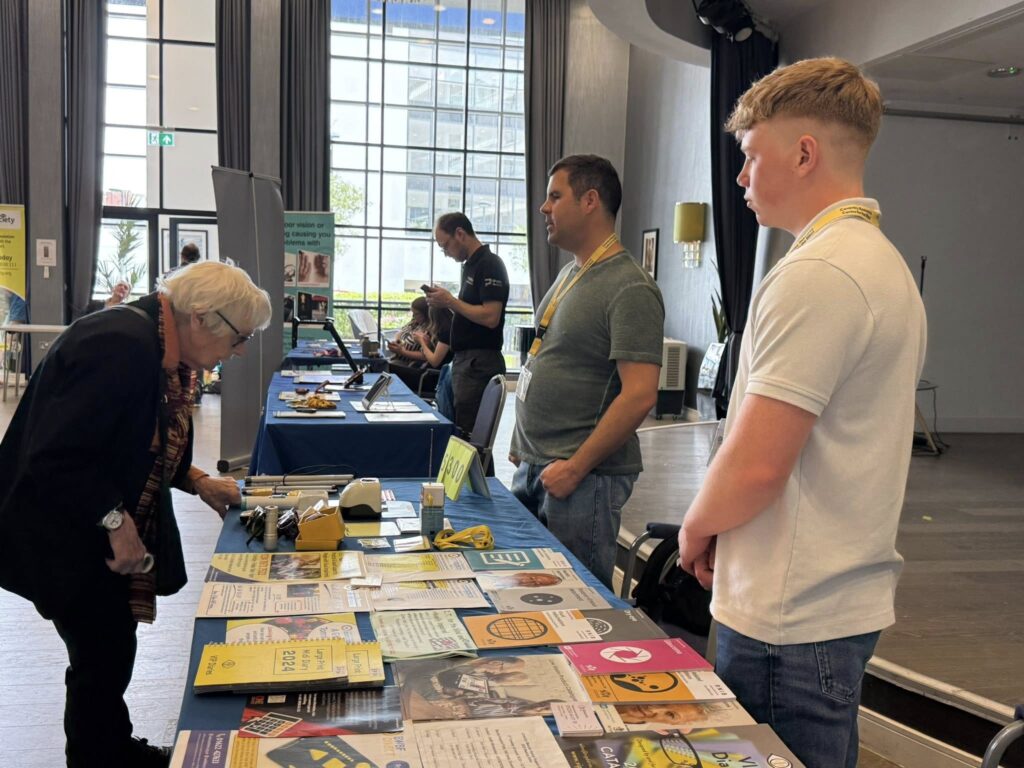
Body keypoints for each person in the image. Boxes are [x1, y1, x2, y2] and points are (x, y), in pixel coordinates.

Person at [676, 58, 927, 768]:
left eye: (751, 156)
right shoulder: (876, 262)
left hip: (790, 617)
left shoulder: (820, 273)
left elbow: (757, 465)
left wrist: (695, 529)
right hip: (825, 596)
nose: (741, 177)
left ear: (804, 154)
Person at [0, 261, 272, 767]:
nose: (238, 352)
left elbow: (130, 441)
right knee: (99, 654)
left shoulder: (153, 343)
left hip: (80, 521)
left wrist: (195, 479)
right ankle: (98, 756)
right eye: (239, 338)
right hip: (62, 530)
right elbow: (57, 454)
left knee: (106, 651)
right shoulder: (121, 343)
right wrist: (116, 522)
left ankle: (112, 747)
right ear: (201, 317)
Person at [509, 154, 664, 588]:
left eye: (554, 197)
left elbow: (639, 394)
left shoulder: (629, 286)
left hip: (582, 480)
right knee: (532, 593)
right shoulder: (571, 273)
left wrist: (576, 468)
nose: (544, 208)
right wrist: (524, 443)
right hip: (538, 465)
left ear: (590, 201)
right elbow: (549, 357)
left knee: (577, 601)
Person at [427, 212, 509, 436]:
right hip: (466, 361)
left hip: (478, 362)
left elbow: (491, 317)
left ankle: (478, 473)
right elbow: (472, 311)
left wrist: (451, 301)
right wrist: (449, 302)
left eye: (445, 246)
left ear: (460, 234)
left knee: (471, 437)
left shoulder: (489, 264)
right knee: (464, 431)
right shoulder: (471, 266)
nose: (445, 253)